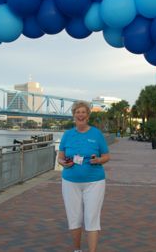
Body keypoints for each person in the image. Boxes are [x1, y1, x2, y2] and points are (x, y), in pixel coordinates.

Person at [58, 101, 110, 252]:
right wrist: (63, 162)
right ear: (74, 115)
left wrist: (98, 160)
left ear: (88, 115)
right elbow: (60, 157)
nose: (80, 114)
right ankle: (77, 249)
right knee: (74, 217)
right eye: (77, 112)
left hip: (94, 182)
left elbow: (106, 156)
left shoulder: (96, 134)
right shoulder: (67, 135)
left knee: (92, 219)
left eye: (83, 112)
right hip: (70, 182)